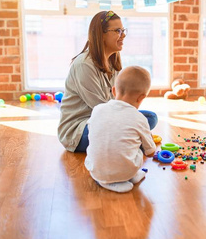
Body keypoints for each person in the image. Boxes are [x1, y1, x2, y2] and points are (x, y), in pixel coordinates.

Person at [58, 11, 158, 152]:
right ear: (101, 34)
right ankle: (130, 140)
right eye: (118, 31)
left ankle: (127, 139)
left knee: (150, 118)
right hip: (80, 130)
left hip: (107, 120)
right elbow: (102, 109)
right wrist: (133, 123)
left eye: (123, 30)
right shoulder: (84, 65)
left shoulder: (113, 61)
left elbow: (120, 103)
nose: (123, 35)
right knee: (140, 122)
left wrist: (132, 119)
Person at [85, 66, 157, 193]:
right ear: (141, 97)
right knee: (137, 150)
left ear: (113, 90)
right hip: (125, 171)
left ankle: (105, 179)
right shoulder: (140, 118)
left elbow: (93, 133)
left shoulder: (97, 109)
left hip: (95, 169)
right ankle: (125, 177)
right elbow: (150, 153)